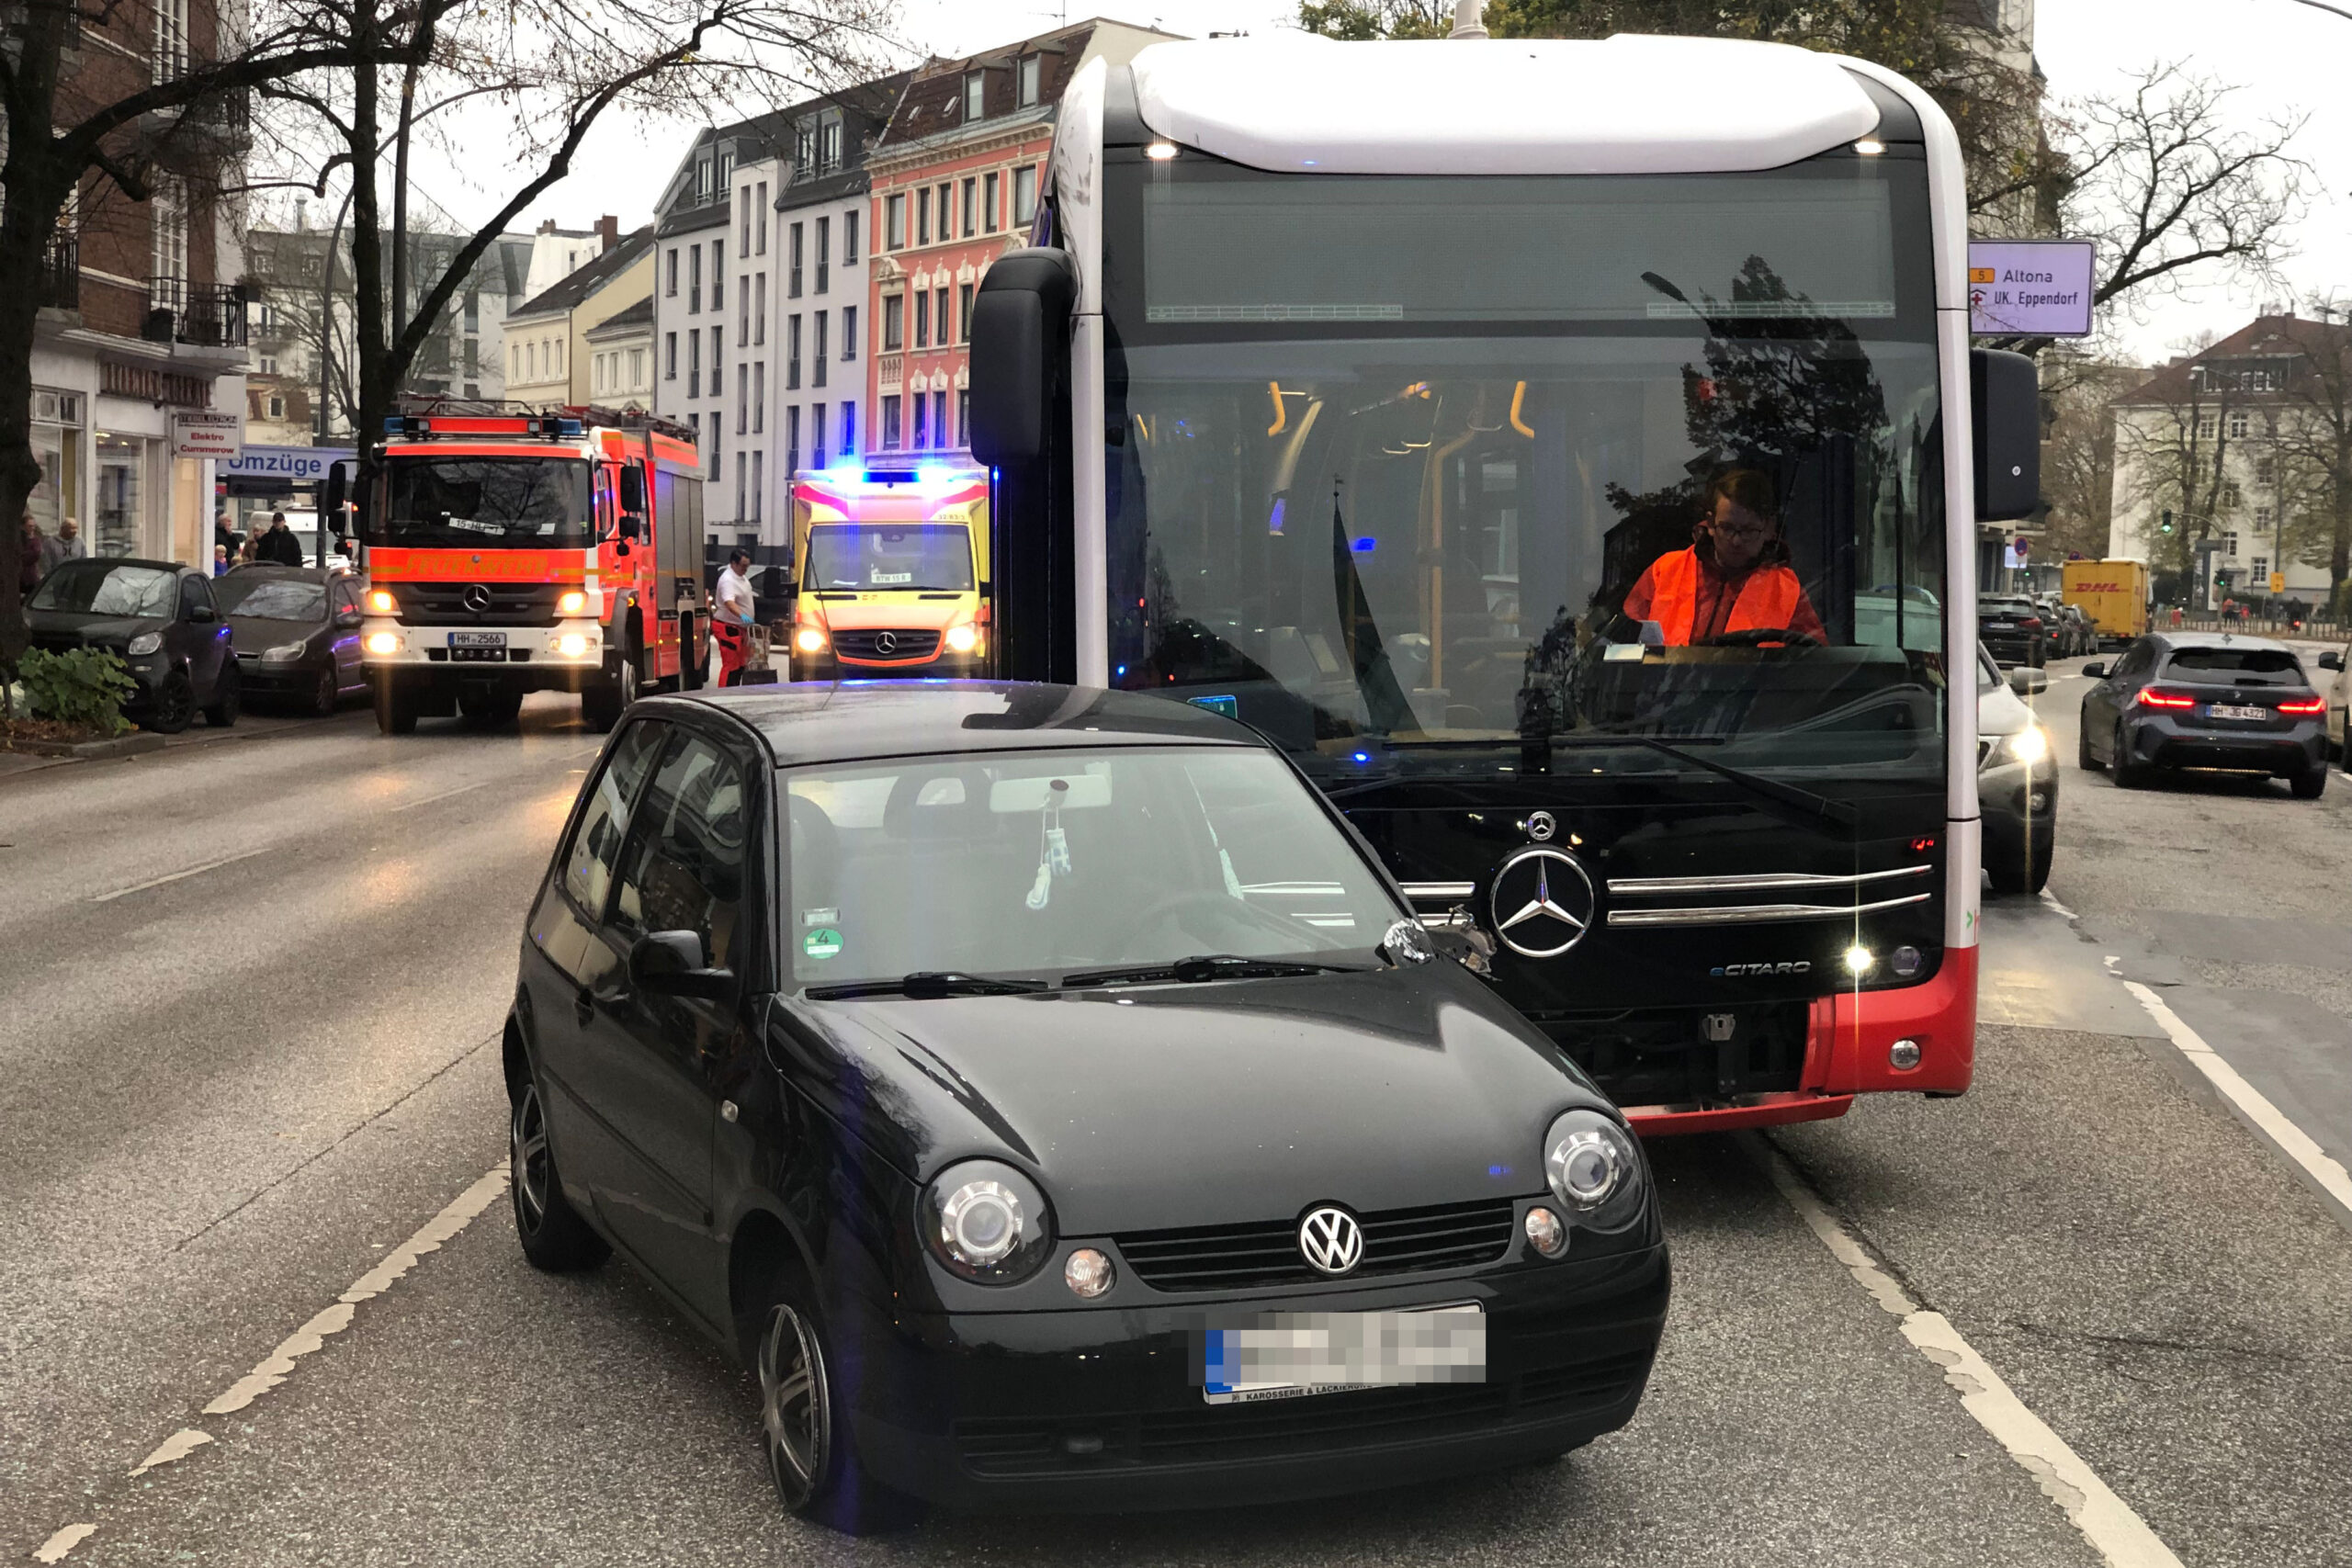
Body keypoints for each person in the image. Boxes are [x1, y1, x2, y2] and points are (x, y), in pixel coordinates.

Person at [1623, 468, 1824, 647]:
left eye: (1748, 530)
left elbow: (1815, 667)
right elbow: (1622, 643)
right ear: (1710, 523)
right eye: (1727, 528)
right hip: (1664, 687)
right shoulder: (1665, 570)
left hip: (1750, 690)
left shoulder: (1787, 591)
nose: (1736, 541)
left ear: (1769, 528)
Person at [712, 547, 756, 686]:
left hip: (739, 629)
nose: (746, 569)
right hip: (728, 629)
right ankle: (723, 694)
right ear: (733, 563)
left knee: (739, 665)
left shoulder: (741, 578)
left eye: (747, 566)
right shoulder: (728, 580)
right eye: (743, 566)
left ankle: (734, 690)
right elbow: (729, 603)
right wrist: (744, 616)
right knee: (731, 665)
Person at [18, 513, 44, 594]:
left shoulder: (36, 541)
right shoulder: (18, 540)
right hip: (18, 576)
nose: (32, 528)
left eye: (33, 526)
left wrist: (22, 556)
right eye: (29, 526)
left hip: (31, 577)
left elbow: (35, 554)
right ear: (23, 526)